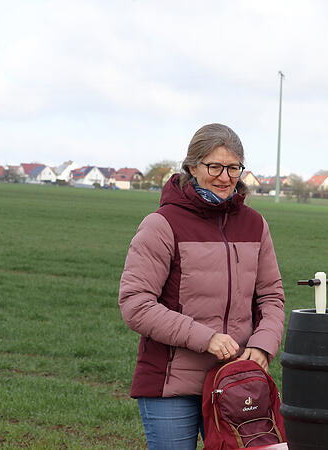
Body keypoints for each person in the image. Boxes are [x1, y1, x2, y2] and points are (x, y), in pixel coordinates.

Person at [119, 123, 286, 449]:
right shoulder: (162, 224)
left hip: (237, 381)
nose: (225, 177)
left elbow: (271, 296)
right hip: (171, 387)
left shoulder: (255, 224)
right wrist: (206, 338)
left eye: (234, 167)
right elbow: (136, 304)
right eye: (215, 167)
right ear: (192, 167)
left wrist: (264, 345)